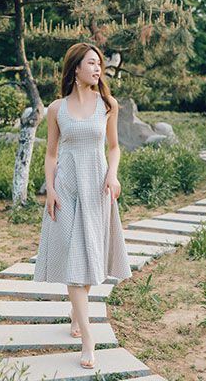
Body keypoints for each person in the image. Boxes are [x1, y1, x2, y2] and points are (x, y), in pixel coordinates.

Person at [32, 42, 133, 369]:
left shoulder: (107, 104)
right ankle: (88, 338)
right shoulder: (56, 109)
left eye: (99, 64)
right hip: (66, 187)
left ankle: (77, 312)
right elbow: (51, 154)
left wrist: (113, 175)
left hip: (96, 186)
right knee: (73, 254)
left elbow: (114, 147)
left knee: (89, 253)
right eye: (91, 63)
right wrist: (50, 189)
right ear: (75, 68)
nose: (97, 68)